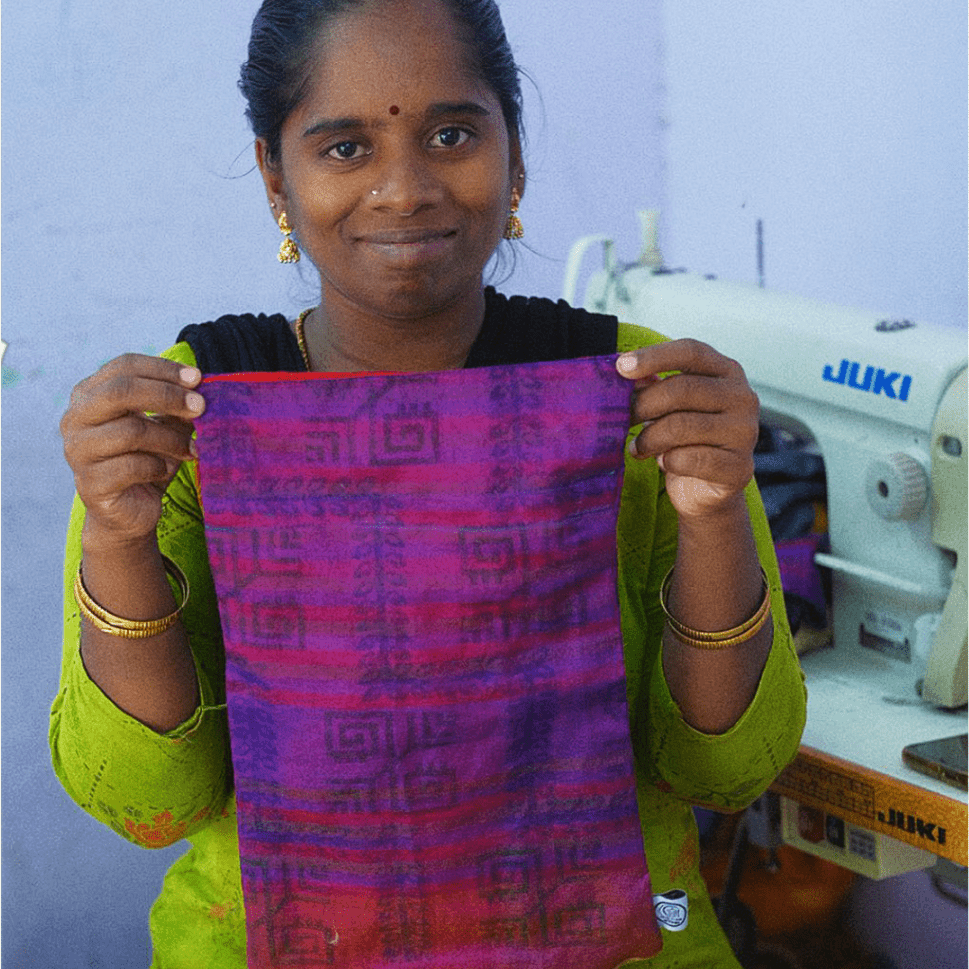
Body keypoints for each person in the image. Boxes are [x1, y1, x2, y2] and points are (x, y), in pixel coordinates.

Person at [51, 0, 807, 965]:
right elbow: (154, 800)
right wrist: (117, 539)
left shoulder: (644, 398)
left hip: (627, 939)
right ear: (273, 178)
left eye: (452, 134)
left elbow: (724, 771)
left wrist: (709, 518)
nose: (403, 190)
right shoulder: (185, 415)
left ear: (516, 152)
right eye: (343, 148)